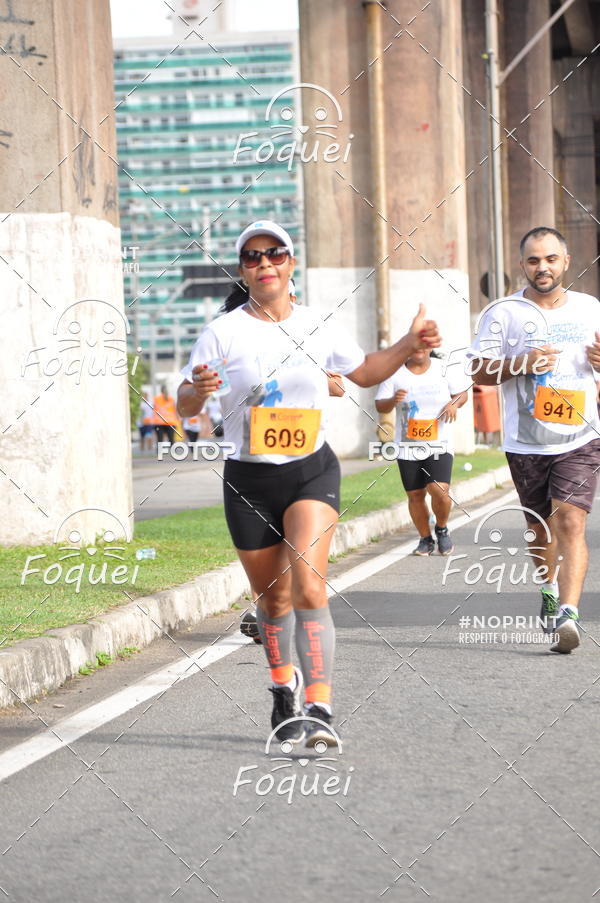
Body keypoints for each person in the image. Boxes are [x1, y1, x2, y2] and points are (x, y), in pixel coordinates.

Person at [178, 220, 441, 747]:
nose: (264, 264)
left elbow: (364, 373)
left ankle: (319, 707)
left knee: (310, 584)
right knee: (272, 602)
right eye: (252, 258)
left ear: (291, 262)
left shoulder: (319, 324)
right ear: (244, 270)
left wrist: (408, 341)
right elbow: (188, 406)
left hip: (310, 469)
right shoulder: (223, 331)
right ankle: (283, 685)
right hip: (249, 480)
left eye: (274, 254)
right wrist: (198, 389)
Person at [469, 226, 600, 654]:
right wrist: (519, 362)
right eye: (532, 260)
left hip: (580, 435)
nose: (542, 268)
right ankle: (548, 591)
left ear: (565, 262)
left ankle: (568, 613)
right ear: (522, 265)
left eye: (550, 259)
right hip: (526, 442)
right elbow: (477, 372)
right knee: (540, 529)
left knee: (571, 521)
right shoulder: (501, 313)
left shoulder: (589, 309)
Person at [375, 349, 470, 556]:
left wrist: (453, 404)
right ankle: (425, 539)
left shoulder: (443, 368)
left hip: (439, 443)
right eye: (414, 345)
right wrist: (393, 400)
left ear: (429, 348)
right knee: (416, 494)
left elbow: (462, 394)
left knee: (440, 490)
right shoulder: (394, 372)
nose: (418, 349)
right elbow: (380, 405)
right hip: (407, 445)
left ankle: (442, 529)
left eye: (423, 345)